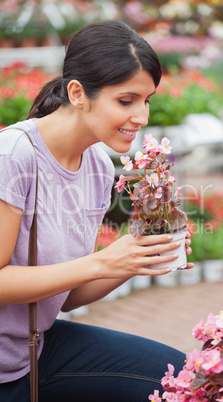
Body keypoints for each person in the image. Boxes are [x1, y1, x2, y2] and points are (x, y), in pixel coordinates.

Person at [0, 20, 193, 402]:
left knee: (184, 380)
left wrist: (136, 258)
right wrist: (103, 263)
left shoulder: (98, 166)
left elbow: (65, 296)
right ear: (77, 92)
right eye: (126, 100)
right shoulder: (14, 155)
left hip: (34, 351)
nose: (142, 116)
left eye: (147, 99)